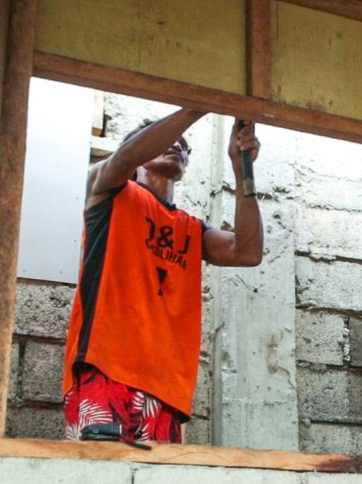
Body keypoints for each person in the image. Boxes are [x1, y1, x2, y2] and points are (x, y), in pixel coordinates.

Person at [62, 109, 263, 444]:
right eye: (168, 138)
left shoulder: (191, 229)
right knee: (98, 471)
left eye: (183, 145)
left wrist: (242, 168)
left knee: (157, 478)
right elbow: (125, 157)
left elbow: (248, 252)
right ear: (140, 148)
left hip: (165, 388)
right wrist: (198, 105)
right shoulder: (108, 189)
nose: (176, 144)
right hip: (105, 368)